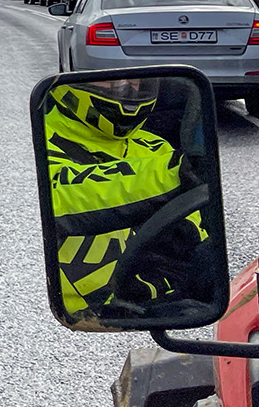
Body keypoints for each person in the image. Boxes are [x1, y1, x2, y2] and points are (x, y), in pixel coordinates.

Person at [44, 76, 211, 320]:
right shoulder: (38, 140)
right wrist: (176, 173)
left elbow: (197, 229)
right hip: (69, 320)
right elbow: (63, 196)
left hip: (147, 310)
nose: (126, 87)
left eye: (135, 80)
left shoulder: (156, 148)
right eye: (110, 78)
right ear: (76, 79)